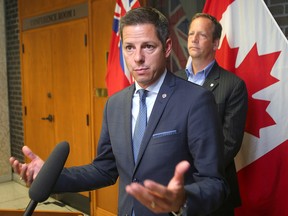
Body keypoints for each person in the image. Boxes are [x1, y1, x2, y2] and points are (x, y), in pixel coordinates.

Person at [10, 7, 228, 216]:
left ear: (167, 47)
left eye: (148, 47)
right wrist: (49, 177)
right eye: (129, 47)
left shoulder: (196, 101)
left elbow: (216, 184)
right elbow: (103, 170)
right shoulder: (114, 104)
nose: (138, 58)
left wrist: (182, 200)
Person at [175, 13, 248, 216]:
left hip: (212, 192)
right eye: (191, 34)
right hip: (174, 186)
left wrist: (191, 173)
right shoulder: (173, 80)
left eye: (202, 35)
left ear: (216, 43)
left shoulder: (233, 86)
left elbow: (229, 143)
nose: (194, 39)